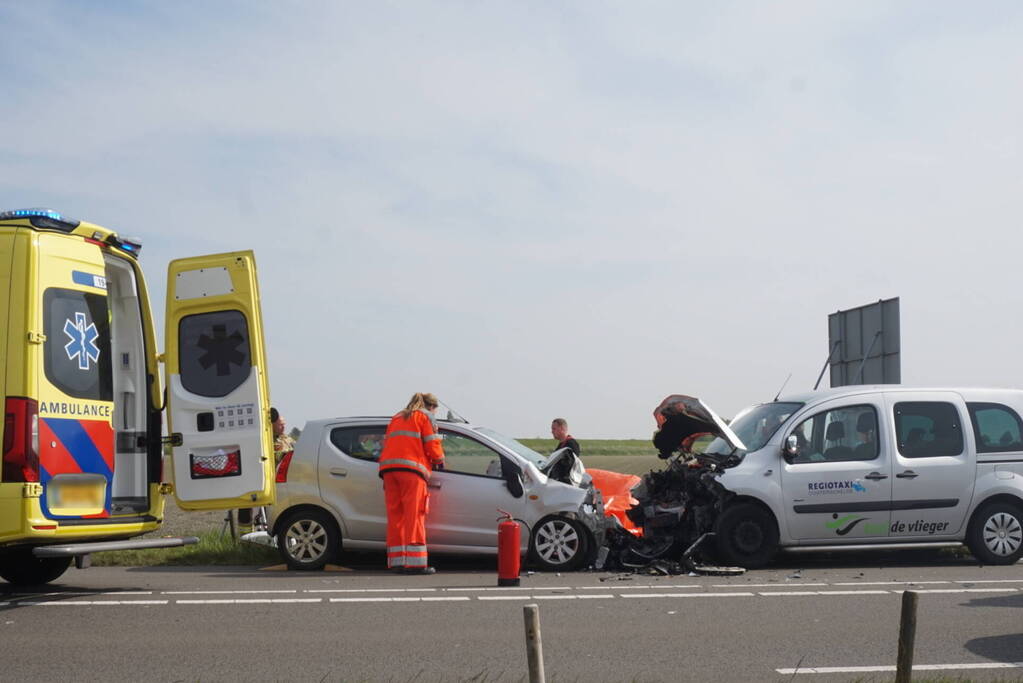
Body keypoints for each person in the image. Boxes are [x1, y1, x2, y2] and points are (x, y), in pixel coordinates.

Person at [378, 392, 445, 574]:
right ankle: (415, 564)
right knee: (414, 515)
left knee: (396, 517)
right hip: (411, 471)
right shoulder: (425, 417)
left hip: (389, 471)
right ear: (431, 407)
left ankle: (397, 562)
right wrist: (439, 459)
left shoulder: (397, 416)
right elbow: (432, 445)